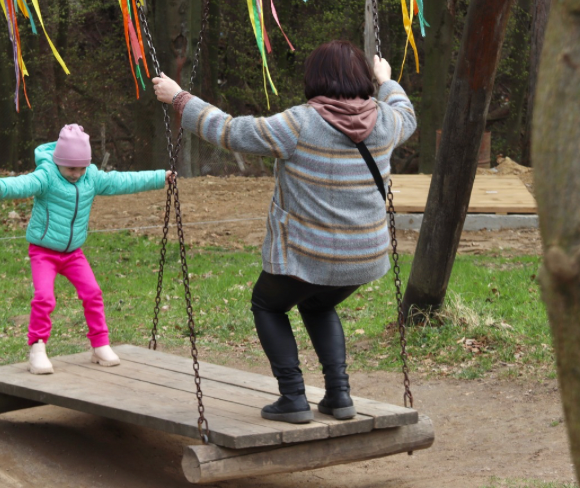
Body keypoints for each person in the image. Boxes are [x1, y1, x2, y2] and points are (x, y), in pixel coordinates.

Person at [152, 41, 416, 423]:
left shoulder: (300, 123)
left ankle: (293, 397)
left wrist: (180, 99)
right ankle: (339, 396)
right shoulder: (387, 121)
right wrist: (387, 81)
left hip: (307, 256)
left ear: (315, 79)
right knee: (319, 303)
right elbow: (406, 111)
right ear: (362, 78)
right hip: (364, 258)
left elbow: (229, 131)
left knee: (268, 304)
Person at [0, 124, 173, 374]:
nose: (76, 174)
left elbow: (124, 180)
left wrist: (161, 177)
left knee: (93, 292)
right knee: (44, 297)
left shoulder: (90, 177)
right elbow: (24, 184)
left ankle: (100, 344)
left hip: (73, 253)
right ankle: (37, 348)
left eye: (81, 168)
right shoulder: (47, 175)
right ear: (59, 161)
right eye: (71, 168)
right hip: (44, 251)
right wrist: (0, 188)